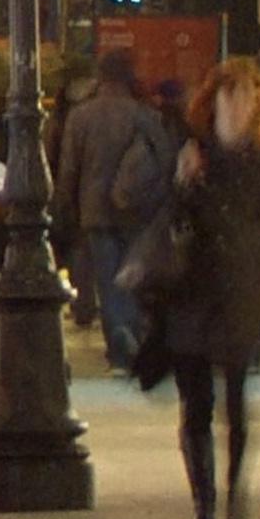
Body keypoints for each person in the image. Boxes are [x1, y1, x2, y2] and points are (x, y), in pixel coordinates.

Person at [156, 63, 260, 519]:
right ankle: (203, 508)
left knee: (236, 401)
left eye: (245, 98)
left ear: (257, 106)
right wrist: (184, 183)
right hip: (193, 290)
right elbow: (169, 220)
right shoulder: (194, 153)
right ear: (212, 105)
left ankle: (234, 493)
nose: (236, 107)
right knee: (196, 406)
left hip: (239, 290)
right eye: (228, 98)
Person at [51, 45, 179, 379]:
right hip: (137, 211)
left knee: (108, 281)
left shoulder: (81, 117)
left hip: (95, 212)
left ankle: (120, 351)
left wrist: (66, 208)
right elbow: (166, 161)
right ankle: (136, 335)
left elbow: (68, 171)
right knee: (134, 276)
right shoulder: (145, 116)